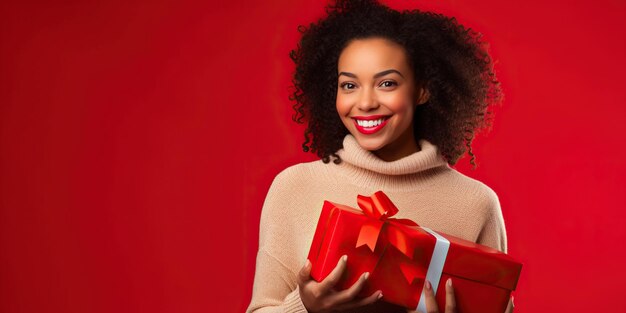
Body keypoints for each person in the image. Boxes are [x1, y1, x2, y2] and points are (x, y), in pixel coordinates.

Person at [247, 0, 514, 312]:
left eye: (387, 83)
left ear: (422, 90)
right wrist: (305, 307)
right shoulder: (294, 187)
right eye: (349, 85)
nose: (365, 102)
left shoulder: (476, 203)